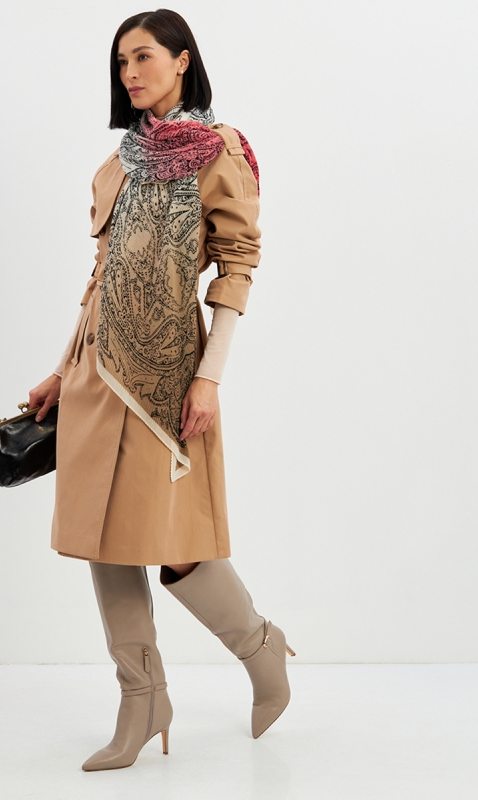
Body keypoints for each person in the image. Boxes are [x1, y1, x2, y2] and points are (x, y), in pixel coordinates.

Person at [28, 8, 294, 772]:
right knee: (103, 540)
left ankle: (261, 648)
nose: (130, 73)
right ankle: (142, 699)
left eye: (143, 57)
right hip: (94, 378)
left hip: (167, 382)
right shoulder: (116, 165)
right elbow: (101, 280)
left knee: (175, 550)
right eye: (121, 62)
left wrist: (210, 377)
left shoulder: (221, 152)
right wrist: (62, 368)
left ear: (182, 60)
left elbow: (236, 266)